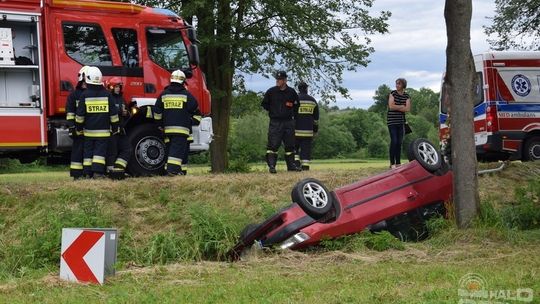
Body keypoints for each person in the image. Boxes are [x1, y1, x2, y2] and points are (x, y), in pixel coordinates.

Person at [153, 70, 201, 176]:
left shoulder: (163, 95)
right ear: (183, 81)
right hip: (181, 130)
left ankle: (174, 171)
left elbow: (156, 112)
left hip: (167, 130)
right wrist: (192, 122)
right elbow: (195, 108)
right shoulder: (186, 95)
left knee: (170, 150)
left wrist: (159, 125)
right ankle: (172, 171)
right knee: (177, 151)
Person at [75, 66, 119, 178]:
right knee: (100, 153)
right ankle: (98, 173)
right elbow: (113, 114)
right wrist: (115, 127)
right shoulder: (107, 95)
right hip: (103, 132)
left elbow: (80, 115)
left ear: (88, 79)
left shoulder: (84, 95)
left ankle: (87, 173)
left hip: (88, 132)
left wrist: (79, 128)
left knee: (88, 153)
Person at [261, 70, 301, 173]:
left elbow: (297, 106)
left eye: (279, 79)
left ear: (285, 80)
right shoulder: (271, 92)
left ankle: (291, 166)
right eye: (277, 79)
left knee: (290, 145)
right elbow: (265, 104)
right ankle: (272, 166)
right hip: (275, 122)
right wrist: (273, 111)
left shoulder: (291, 92)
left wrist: (293, 118)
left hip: (288, 122)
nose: (277, 81)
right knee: (273, 145)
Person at [105, 77, 132, 179]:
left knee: (127, 149)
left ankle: (118, 169)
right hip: (111, 130)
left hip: (121, 130)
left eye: (119, 86)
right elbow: (107, 113)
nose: (118, 89)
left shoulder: (122, 99)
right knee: (112, 152)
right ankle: (110, 172)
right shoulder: (108, 98)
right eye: (116, 86)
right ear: (110, 87)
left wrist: (127, 113)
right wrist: (120, 112)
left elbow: (127, 113)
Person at [65, 66, 89, 179]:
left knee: (88, 152)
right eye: (83, 81)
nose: (85, 83)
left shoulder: (91, 93)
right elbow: (70, 113)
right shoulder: (73, 95)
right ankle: (76, 175)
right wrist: (72, 127)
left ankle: (87, 173)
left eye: (86, 81)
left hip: (90, 129)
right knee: (77, 151)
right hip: (78, 128)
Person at [294, 81, 319, 171]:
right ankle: (305, 167)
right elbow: (316, 119)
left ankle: (296, 165)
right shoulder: (312, 101)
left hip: (295, 131)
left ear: (298, 89)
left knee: (294, 149)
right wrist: (315, 131)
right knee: (306, 150)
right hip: (308, 132)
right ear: (307, 89)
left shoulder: (294, 100)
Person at [387, 78, 411, 169]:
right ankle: (392, 163)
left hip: (401, 122)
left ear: (403, 85)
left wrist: (397, 106)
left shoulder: (407, 96)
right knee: (394, 141)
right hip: (392, 121)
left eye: (399, 84)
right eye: (396, 83)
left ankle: (398, 163)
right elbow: (391, 106)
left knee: (399, 143)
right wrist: (401, 106)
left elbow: (408, 109)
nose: (397, 85)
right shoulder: (392, 93)